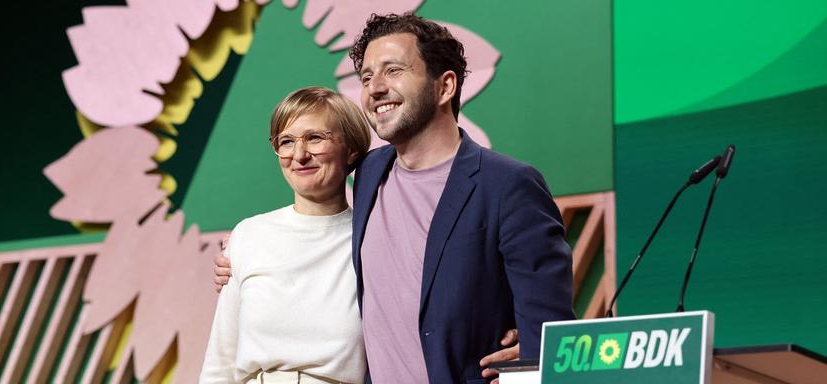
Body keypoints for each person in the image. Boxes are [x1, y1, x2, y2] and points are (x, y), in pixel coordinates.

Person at [217, 13, 575, 383]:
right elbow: (316, 229)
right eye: (367, 77)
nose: (374, 88)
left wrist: (530, 362)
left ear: (445, 86)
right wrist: (239, 254)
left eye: (393, 70)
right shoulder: (368, 172)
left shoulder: (508, 185)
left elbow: (550, 331)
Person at [199, 87, 371, 383]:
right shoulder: (249, 235)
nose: (300, 155)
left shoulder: (373, 239)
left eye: (315, 138)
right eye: (286, 142)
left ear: (351, 148)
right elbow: (221, 359)